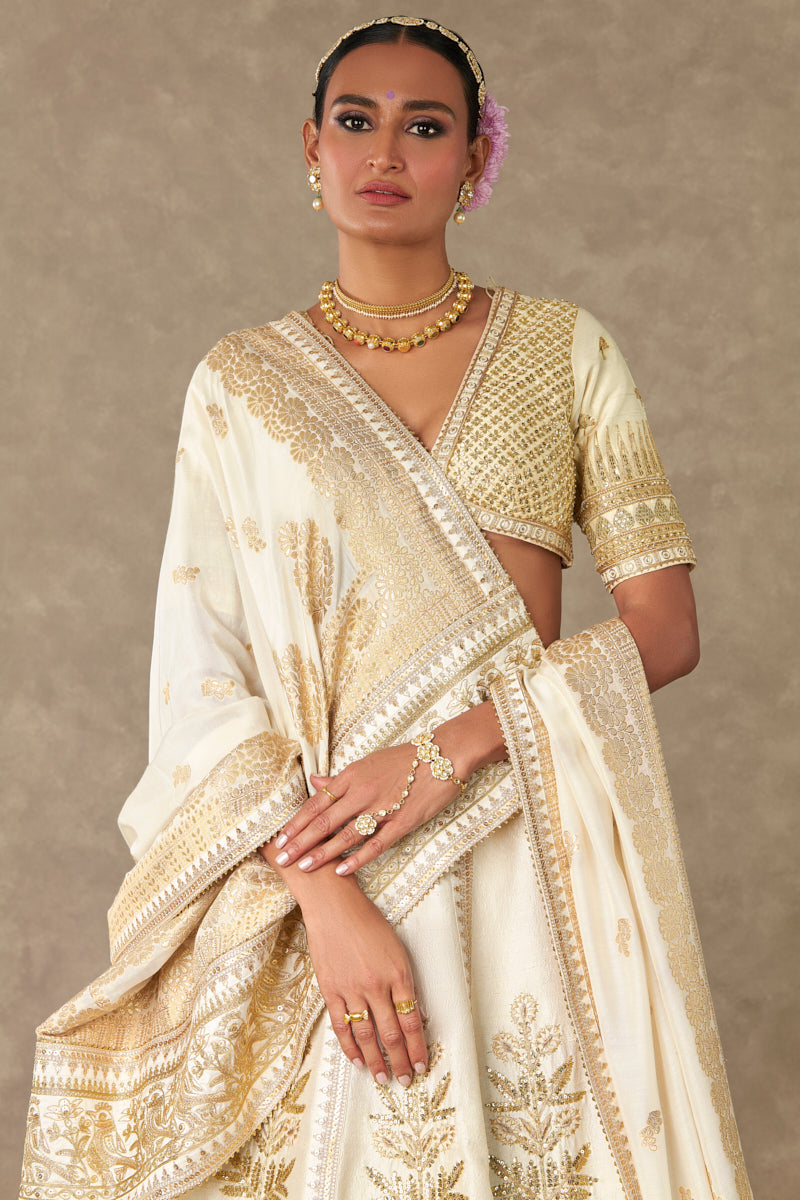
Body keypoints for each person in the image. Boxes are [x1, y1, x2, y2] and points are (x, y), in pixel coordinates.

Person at [20, 15, 753, 1200]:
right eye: (355, 121)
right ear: (309, 148)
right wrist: (323, 900)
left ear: (474, 159)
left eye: (425, 126)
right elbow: (204, 675)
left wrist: (448, 751)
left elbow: (663, 631)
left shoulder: (562, 351)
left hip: (523, 839)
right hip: (326, 867)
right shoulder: (242, 384)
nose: (384, 151)